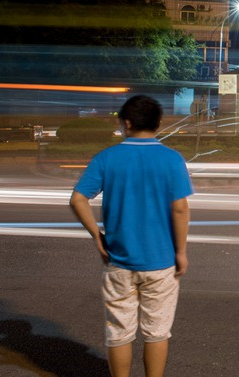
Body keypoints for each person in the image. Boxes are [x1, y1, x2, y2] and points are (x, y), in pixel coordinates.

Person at [69, 95, 194, 377]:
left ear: (126, 123)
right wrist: (181, 252)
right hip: (161, 263)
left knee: (119, 332)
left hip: (118, 260)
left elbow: (78, 199)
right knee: (157, 332)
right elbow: (180, 209)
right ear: (159, 124)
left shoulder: (106, 158)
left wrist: (97, 237)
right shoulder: (172, 159)